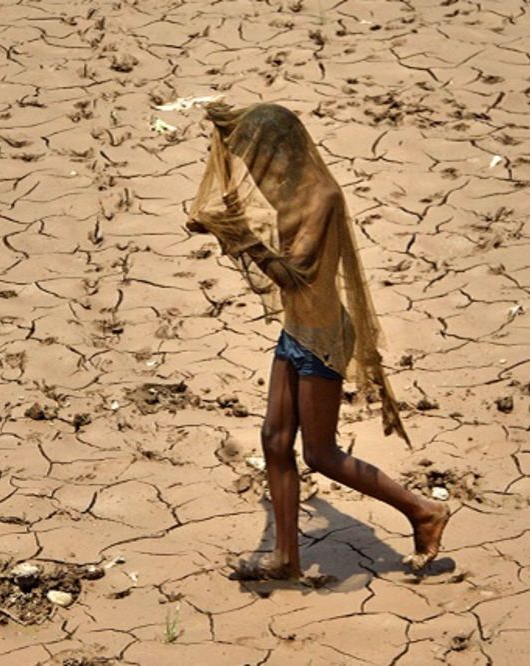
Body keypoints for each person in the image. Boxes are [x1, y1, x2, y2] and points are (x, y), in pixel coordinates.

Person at [187, 102, 449, 579]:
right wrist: (227, 225)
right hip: (297, 331)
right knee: (273, 439)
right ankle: (287, 558)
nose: (253, 167)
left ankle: (423, 512)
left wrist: (236, 236)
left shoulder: (320, 198)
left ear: (280, 149)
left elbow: (294, 277)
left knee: (321, 453)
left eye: (257, 154)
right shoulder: (290, 193)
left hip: (322, 337)